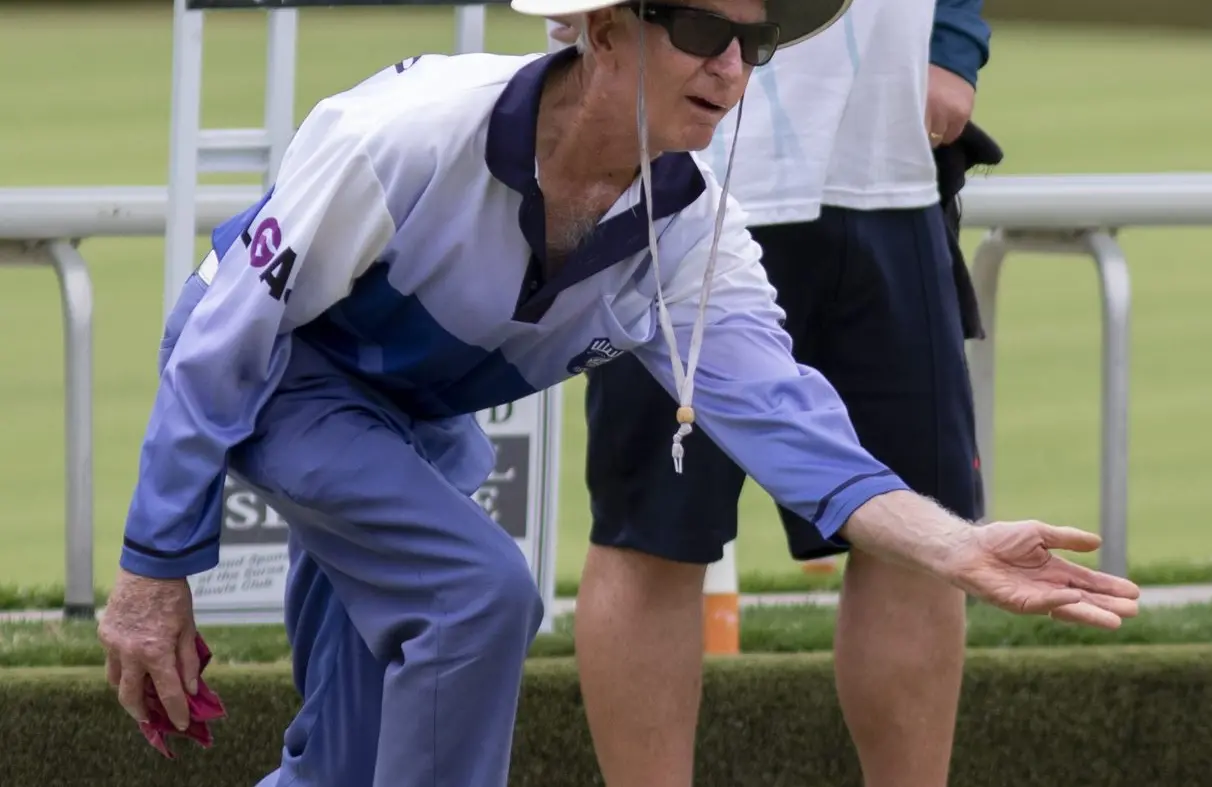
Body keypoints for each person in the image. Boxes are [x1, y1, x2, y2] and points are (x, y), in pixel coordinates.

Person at [95, 1, 1140, 786]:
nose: (732, 69)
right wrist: (153, 570)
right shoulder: (405, 131)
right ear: (599, 29)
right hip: (282, 380)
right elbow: (223, 333)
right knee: (477, 593)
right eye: (698, 27)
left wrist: (951, 545)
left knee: (347, 758)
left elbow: (793, 428)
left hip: (414, 429)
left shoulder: (691, 232)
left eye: (754, 43)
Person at [565, 1, 1009, 785]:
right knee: (650, 534)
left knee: (922, 529)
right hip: (676, 156)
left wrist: (954, 38)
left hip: (888, 163)